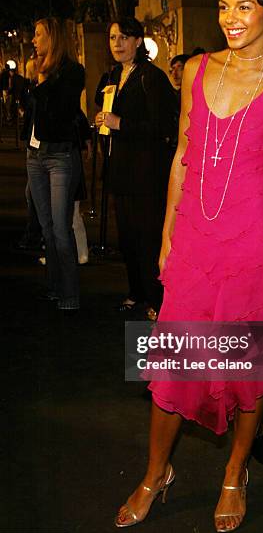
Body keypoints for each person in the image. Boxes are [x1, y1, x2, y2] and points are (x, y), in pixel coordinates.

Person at [115, 0, 263, 532]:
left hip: (255, 244)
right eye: (225, 6)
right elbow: (181, 153)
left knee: (247, 371)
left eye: (245, 7)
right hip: (195, 242)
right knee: (176, 365)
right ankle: (156, 473)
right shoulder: (196, 70)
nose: (231, 18)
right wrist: (167, 235)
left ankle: (234, 473)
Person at [95, 16, 178, 319]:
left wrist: (121, 123)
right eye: (113, 37)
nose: (117, 43)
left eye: (124, 37)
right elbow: (104, 105)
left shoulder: (151, 77)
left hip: (146, 173)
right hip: (120, 170)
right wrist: (105, 119)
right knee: (128, 238)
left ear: (138, 41)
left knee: (149, 237)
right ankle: (136, 292)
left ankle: (159, 299)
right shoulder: (115, 75)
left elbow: (162, 126)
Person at [23, 17, 85, 310]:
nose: (33, 40)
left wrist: (42, 82)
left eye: (38, 35)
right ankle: (54, 287)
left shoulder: (72, 72)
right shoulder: (38, 71)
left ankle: (70, 294)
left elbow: (61, 111)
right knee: (46, 227)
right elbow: (29, 110)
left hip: (59, 155)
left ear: (53, 38)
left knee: (61, 228)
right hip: (34, 155)